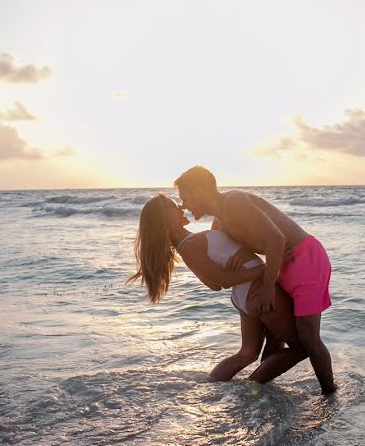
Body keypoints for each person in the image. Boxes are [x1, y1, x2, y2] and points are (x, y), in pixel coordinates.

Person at [175, 166, 336, 395]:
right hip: (279, 264)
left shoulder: (235, 201)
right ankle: (260, 394)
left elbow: (276, 238)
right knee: (274, 336)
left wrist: (269, 285)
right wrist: (234, 261)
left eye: (185, 197)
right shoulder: (219, 223)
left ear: (200, 189)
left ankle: (330, 395)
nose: (183, 205)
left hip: (304, 259)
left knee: (308, 337)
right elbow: (234, 259)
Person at [129, 194, 308, 384]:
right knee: (301, 347)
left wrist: (229, 267)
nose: (181, 208)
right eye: (174, 206)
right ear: (165, 216)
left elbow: (213, 284)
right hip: (254, 289)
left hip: (245, 293)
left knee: (248, 353)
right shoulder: (187, 245)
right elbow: (221, 281)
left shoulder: (188, 242)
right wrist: (265, 267)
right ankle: (250, 388)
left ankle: (217, 386)